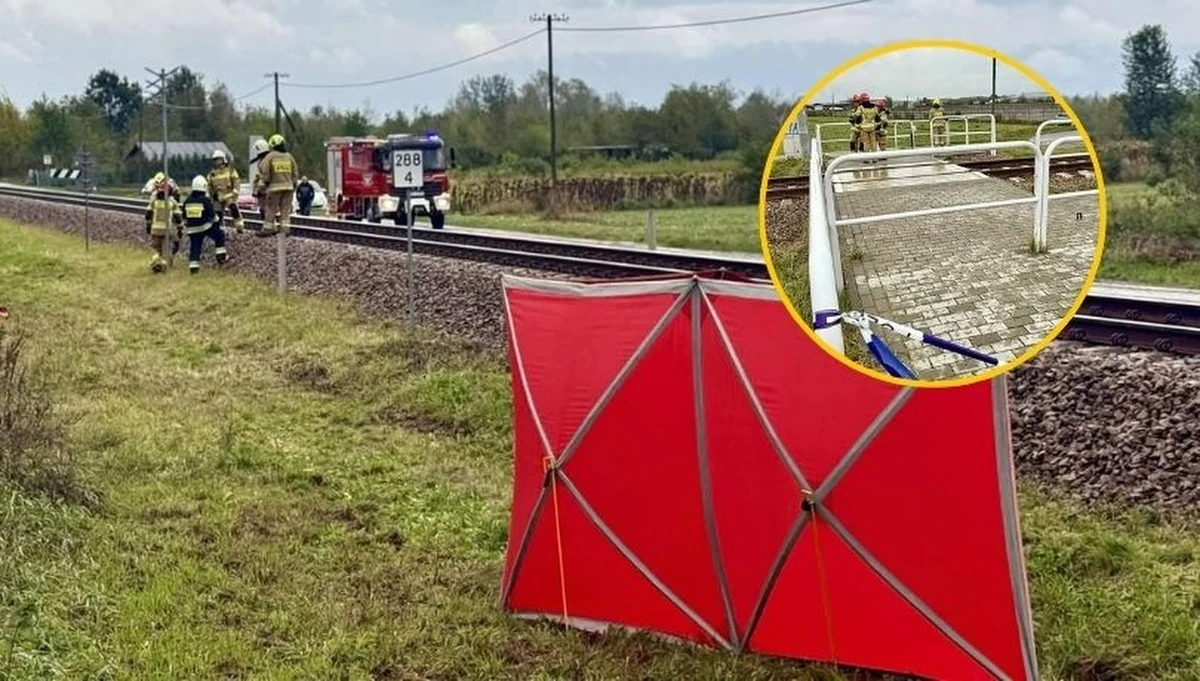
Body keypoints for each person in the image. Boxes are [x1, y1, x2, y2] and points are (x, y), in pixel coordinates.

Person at [253, 133, 299, 237]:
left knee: (270, 209)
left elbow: (265, 173)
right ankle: (285, 230)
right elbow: (295, 173)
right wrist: (293, 185)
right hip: (288, 188)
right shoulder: (289, 156)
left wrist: (262, 186)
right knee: (285, 210)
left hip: (274, 188)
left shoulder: (270, 157)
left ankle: (268, 229)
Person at [181, 175, 229, 275]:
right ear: (203, 186)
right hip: (205, 227)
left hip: (192, 230)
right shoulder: (205, 200)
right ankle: (221, 257)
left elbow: (184, 217)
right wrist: (218, 223)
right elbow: (212, 215)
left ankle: (194, 268)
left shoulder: (187, 201)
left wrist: (188, 225)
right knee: (219, 235)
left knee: (195, 247)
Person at [143, 178, 183, 273]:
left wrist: (148, 226)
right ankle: (164, 265)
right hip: (167, 229)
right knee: (170, 246)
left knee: (157, 250)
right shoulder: (172, 202)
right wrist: (180, 228)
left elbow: (148, 214)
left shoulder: (154, 201)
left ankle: (156, 262)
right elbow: (178, 217)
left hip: (155, 229)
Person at [207, 149, 244, 233]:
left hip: (228, 194)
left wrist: (235, 191)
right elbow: (209, 185)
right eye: (215, 160)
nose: (217, 162)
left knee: (233, 208)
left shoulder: (230, 171)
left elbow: (236, 181)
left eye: (218, 159)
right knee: (218, 213)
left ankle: (239, 225)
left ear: (223, 159)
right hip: (218, 196)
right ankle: (220, 227)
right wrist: (211, 195)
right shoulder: (212, 173)